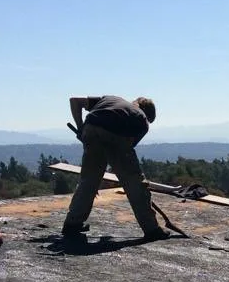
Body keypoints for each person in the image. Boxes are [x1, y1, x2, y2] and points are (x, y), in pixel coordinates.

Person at [61, 95, 170, 240]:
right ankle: (152, 229)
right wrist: (121, 170)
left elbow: (74, 101)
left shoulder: (110, 99)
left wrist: (81, 128)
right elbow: (126, 155)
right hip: (116, 135)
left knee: (88, 181)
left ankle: (72, 224)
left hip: (90, 127)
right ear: (147, 114)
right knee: (136, 184)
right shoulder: (141, 119)